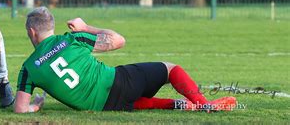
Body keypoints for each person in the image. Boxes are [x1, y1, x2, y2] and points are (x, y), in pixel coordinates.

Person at [14, 7, 237, 113]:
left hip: (104, 107)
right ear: (50, 27)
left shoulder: (28, 69)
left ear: (32, 32)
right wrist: (85, 27)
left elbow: (20, 109)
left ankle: (184, 105)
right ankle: (204, 104)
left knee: (139, 104)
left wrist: (35, 106)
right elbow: (118, 40)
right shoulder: (72, 39)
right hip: (118, 83)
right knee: (170, 69)